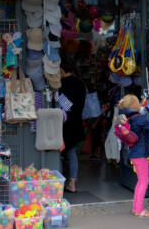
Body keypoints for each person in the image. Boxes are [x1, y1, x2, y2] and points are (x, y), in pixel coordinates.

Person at [118, 94, 149, 218]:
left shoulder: (129, 118)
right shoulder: (138, 118)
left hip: (135, 153)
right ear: (135, 106)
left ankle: (136, 208)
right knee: (144, 181)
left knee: (140, 181)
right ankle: (139, 210)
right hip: (140, 154)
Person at [60, 54, 86, 193]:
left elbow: (65, 104)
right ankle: (72, 183)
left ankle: (58, 183)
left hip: (64, 124)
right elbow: (80, 104)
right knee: (72, 153)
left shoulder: (61, 84)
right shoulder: (80, 83)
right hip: (77, 122)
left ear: (62, 69)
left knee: (59, 153)